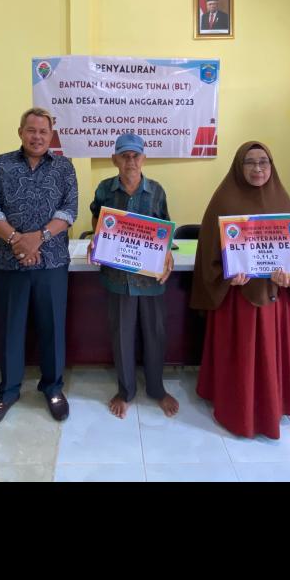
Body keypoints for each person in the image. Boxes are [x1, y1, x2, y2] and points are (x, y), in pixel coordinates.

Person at [192, 141, 290, 439]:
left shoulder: (282, 199)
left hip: (273, 299)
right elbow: (207, 252)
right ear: (239, 166)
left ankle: (272, 403)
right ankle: (236, 406)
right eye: (250, 162)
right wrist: (225, 277)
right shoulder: (223, 201)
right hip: (236, 299)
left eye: (263, 162)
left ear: (271, 165)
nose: (257, 168)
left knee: (269, 353)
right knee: (241, 355)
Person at [0, 107, 78, 428]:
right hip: (10, 263)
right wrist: (17, 241)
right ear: (20, 132)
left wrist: (37, 239)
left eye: (43, 132)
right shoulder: (1, 164)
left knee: (52, 328)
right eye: (31, 130)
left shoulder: (64, 167)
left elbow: (69, 211)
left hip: (52, 263)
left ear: (51, 135)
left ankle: (53, 388)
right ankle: (7, 392)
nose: (37, 137)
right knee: (10, 329)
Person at [88, 133, 179, 420]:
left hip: (150, 278)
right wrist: (97, 239)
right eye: (124, 156)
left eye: (135, 155)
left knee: (155, 334)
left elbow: (165, 228)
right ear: (114, 159)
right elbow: (96, 218)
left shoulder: (157, 191)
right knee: (122, 336)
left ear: (144, 158)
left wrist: (167, 252)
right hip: (117, 277)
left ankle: (156, 389)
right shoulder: (105, 189)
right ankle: (126, 392)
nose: (130, 161)